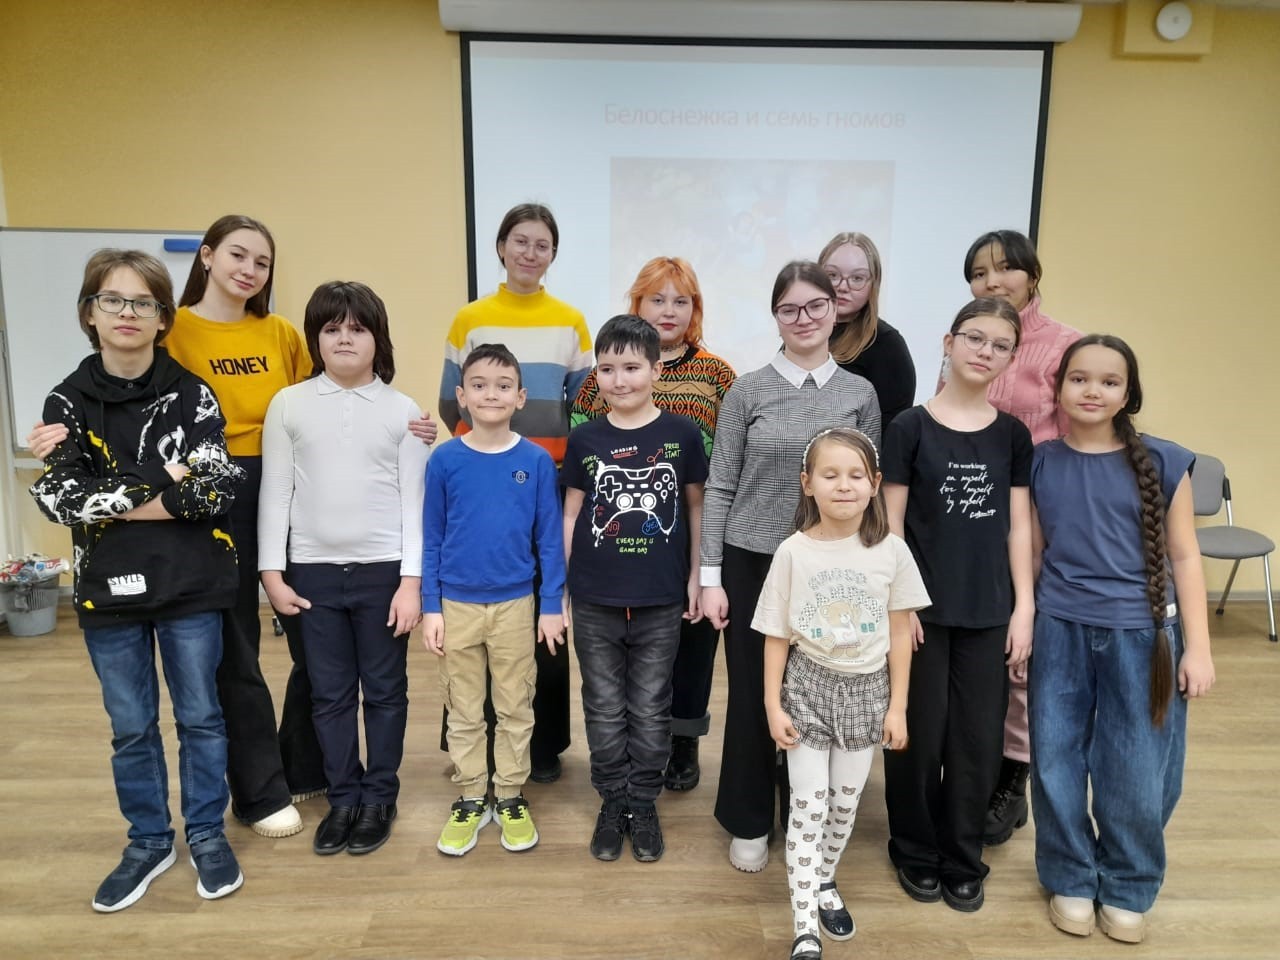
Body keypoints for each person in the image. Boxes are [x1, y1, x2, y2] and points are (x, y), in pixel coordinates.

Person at [29, 249, 246, 911]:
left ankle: (207, 833)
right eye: (113, 300)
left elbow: (217, 489)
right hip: (108, 591)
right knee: (131, 727)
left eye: (143, 303)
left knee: (202, 719)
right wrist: (165, 476)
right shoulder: (65, 400)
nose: (127, 313)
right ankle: (149, 841)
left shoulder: (192, 393)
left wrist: (110, 498)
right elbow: (61, 501)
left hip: (191, 583)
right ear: (89, 314)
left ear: (162, 318)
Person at [1028, 334, 1214, 944]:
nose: (1093, 391)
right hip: (1059, 631)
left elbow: (1185, 556)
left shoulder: (1165, 461)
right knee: (1054, 759)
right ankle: (1070, 874)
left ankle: (1129, 882)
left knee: (1137, 765)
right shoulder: (1040, 461)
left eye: (1109, 381)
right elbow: (1034, 552)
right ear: (1059, 386)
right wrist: (1025, 626)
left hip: (1145, 637)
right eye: (1079, 378)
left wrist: (1199, 648)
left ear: (1129, 393)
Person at [700, 261, 881, 873]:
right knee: (757, 692)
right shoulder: (746, 391)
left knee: (817, 694)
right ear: (775, 316)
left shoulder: (859, 394)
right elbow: (721, 485)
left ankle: (808, 817)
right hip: (752, 561)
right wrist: (710, 575)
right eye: (789, 309)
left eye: (815, 306)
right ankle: (750, 818)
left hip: (832, 568)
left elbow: (869, 490)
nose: (803, 319)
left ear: (835, 310)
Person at [257, 281, 428, 857]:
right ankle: (344, 797)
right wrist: (271, 574)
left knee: (384, 692)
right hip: (312, 574)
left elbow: (414, 503)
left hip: (384, 575)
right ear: (315, 339)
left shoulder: (404, 411)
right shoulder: (289, 404)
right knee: (328, 694)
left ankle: (379, 797)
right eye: (332, 329)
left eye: (358, 328)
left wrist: (411, 583)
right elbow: (276, 492)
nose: (345, 339)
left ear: (379, 338)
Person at [881, 297, 1034, 913]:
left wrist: (1024, 608)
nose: (985, 352)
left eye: (1000, 345)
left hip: (990, 610)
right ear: (949, 342)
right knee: (917, 738)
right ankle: (914, 849)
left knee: (977, 741)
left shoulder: (1012, 435)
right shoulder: (909, 427)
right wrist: (901, 602)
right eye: (975, 338)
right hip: (919, 612)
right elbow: (891, 524)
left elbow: (1018, 528)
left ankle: (963, 856)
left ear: (1010, 358)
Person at [756, 428, 928, 960]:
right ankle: (805, 924)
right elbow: (776, 635)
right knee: (808, 807)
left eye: (856, 475)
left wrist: (898, 708)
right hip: (808, 688)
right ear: (807, 483)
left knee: (844, 804)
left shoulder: (892, 552)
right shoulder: (792, 552)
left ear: (875, 484)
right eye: (830, 475)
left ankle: (825, 878)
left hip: (868, 693)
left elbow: (900, 634)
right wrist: (772, 704)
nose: (844, 485)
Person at [439, 202, 592, 784]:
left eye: (542, 245)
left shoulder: (571, 322)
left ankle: (541, 747)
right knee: (473, 623)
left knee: (542, 612)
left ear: (553, 255)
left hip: (548, 480)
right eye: (520, 241)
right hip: (484, 480)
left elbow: (585, 404)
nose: (530, 253)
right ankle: (471, 749)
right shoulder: (470, 318)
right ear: (501, 247)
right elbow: (451, 401)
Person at [571, 256, 736, 791]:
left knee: (683, 659)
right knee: (615, 682)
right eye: (657, 299)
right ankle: (621, 769)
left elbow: (722, 466)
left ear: (695, 309)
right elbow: (583, 468)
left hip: (685, 538)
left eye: (681, 301)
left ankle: (678, 749)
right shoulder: (599, 384)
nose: (669, 310)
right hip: (613, 555)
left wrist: (703, 566)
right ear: (637, 304)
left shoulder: (717, 375)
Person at [562, 315, 707, 862]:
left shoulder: (682, 435)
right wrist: (564, 588)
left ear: (655, 369)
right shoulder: (585, 437)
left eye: (630, 367)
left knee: (649, 707)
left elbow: (695, 509)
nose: (618, 380)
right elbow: (571, 514)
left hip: (661, 598)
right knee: (602, 706)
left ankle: (642, 802)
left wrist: (696, 577)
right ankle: (612, 800)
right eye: (606, 369)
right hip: (594, 598)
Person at [960, 229, 1081, 846]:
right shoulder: (971, 337)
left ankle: (1013, 778)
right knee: (984, 644)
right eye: (980, 272)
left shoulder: (1063, 345)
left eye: (1005, 268)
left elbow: (1081, 432)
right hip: (973, 513)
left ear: (1032, 275)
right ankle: (978, 767)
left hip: (1038, 516)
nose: (993, 281)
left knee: (1023, 651)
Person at [423, 343, 566, 857]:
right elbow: (431, 538)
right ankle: (470, 795)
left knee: (515, 705)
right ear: (461, 395)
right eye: (479, 385)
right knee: (463, 708)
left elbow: (550, 539)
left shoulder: (535, 461)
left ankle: (508, 793)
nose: (491, 394)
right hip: (456, 606)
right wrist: (431, 606)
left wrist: (552, 604)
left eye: (503, 386)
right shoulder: (444, 460)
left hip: (516, 606)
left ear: (520, 397)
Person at [818, 232, 916, 428]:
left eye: (857, 278)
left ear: (873, 284)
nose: (842, 286)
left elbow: (891, 431)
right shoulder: (804, 330)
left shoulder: (887, 344)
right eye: (832, 275)